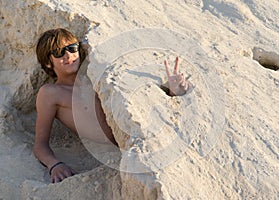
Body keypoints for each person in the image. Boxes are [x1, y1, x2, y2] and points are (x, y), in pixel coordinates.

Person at [34, 28, 189, 183]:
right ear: (48, 62)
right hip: (128, 150)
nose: (68, 56)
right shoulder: (51, 93)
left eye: (72, 48)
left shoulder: (98, 76)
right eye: (59, 52)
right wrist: (55, 165)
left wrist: (171, 92)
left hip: (147, 133)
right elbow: (40, 145)